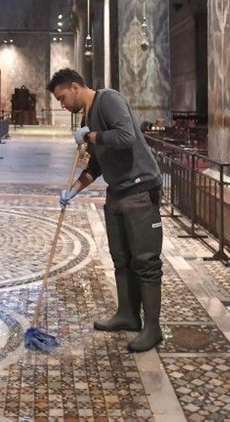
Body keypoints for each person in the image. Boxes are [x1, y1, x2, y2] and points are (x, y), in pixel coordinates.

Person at [47, 67, 164, 352]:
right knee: (121, 258)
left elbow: (126, 137)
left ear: (75, 87)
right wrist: (72, 191)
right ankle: (127, 314)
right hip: (117, 193)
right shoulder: (87, 118)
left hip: (139, 189)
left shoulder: (109, 100)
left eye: (62, 98)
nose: (62, 105)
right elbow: (96, 167)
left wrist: (91, 137)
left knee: (146, 262)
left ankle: (153, 328)